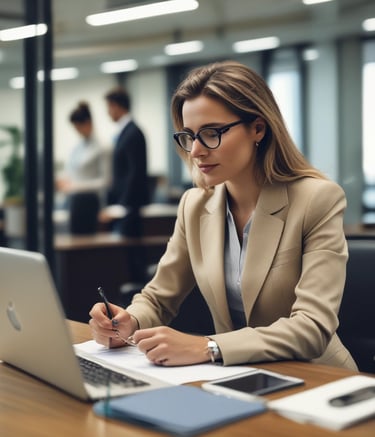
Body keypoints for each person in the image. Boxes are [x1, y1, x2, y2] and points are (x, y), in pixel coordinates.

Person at [89, 60, 357, 371]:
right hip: (238, 376)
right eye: (189, 136)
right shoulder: (195, 205)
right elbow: (158, 298)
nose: (197, 151)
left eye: (212, 133)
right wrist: (127, 321)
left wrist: (209, 346)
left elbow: (313, 327)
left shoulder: (317, 199)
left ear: (258, 128)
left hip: (318, 378)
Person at [100, 86, 149, 238]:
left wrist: (121, 206)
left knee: (129, 254)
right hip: (124, 206)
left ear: (115, 106)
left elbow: (135, 172)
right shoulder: (124, 132)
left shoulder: (133, 132)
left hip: (130, 208)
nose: (107, 112)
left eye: (108, 107)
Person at [56, 101, 109, 234]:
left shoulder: (103, 146)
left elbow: (106, 181)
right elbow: (72, 172)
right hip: (74, 201)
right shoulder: (77, 147)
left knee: (88, 241)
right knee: (74, 238)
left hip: (90, 202)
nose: (77, 131)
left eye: (78, 127)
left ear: (88, 123)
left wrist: (74, 186)